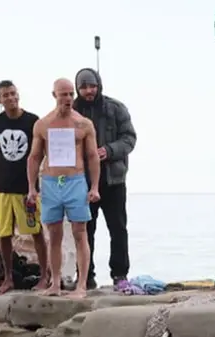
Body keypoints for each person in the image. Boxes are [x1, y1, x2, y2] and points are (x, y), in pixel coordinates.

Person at [27, 78, 101, 299]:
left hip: (76, 181)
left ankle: (81, 286)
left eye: (71, 94)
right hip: (51, 183)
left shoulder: (83, 124)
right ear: (54, 95)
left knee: (80, 233)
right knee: (54, 234)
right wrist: (32, 187)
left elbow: (92, 156)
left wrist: (94, 186)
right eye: (64, 94)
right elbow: (34, 156)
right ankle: (55, 283)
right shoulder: (43, 124)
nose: (68, 99)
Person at [0, 80, 49, 294]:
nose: (10, 98)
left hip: (27, 187)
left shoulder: (32, 121)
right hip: (2, 187)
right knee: (4, 233)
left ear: (18, 94)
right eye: (5, 95)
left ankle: (45, 276)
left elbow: (39, 153)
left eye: (13, 93)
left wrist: (35, 183)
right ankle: (8, 277)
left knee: (35, 230)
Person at [74, 67, 137, 290]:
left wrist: (108, 151)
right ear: (77, 88)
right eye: (83, 87)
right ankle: (85, 276)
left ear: (99, 85)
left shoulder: (116, 108)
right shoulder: (72, 111)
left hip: (113, 181)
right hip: (81, 182)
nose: (89, 90)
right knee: (83, 231)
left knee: (118, 229)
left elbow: (129, 139)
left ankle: (120, 275)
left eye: (92, 86)